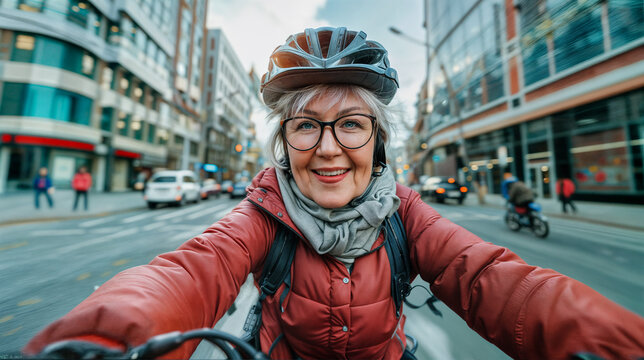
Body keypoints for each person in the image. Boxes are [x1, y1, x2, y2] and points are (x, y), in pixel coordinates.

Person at [24, 27, 644, 360]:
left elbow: (497, 280)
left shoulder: (406, 214)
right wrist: (106, 336)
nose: (326, 148)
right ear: (284, 140)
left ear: (377, 139)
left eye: (350, 123)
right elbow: (189, 272)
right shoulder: (262, 214)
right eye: (305, 125)